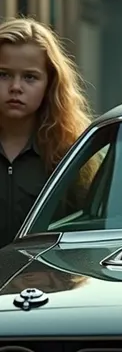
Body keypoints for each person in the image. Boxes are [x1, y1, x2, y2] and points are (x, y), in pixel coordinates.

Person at [0, 16, 95, 248]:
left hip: (45, 281)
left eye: (30, 77)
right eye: (3, 75)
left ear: (50, 84)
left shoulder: (73, 154)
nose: (15, 87)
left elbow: (89, 233)